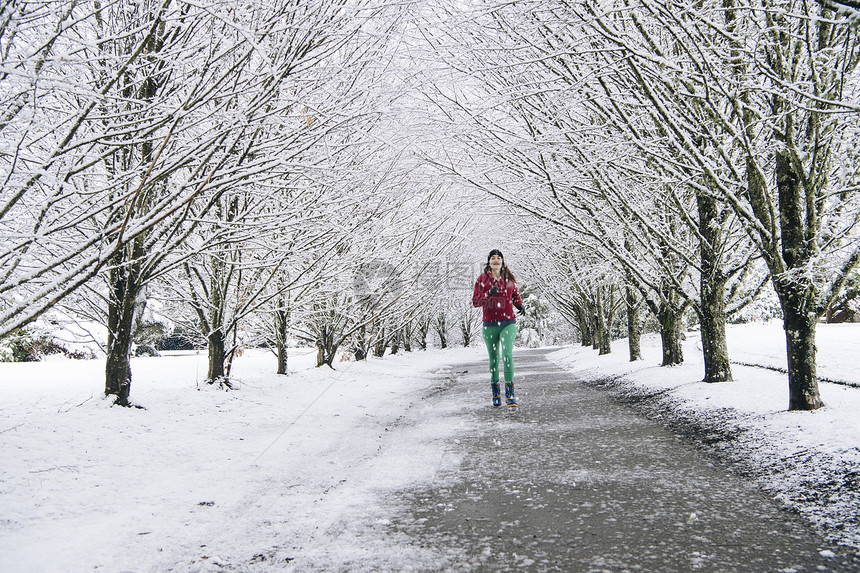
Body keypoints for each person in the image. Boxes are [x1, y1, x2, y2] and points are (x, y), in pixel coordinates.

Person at [472, 249, 525, 408]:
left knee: (507, 355)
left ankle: (510, 394)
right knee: (494, 360)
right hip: (490, 325)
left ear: (502, 261)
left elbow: (514, 294)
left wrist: (519, 304)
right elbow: (476, 302)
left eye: (499, 258)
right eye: (493, 258)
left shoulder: (508, 279)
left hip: (508, 322)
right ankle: (495, 392)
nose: (496, 260)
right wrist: (489, 293)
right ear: (489, 262)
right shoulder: (482, 280)